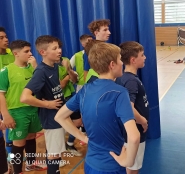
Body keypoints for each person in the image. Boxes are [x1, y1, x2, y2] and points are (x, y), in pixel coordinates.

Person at [54, 41, 140, 174]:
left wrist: (82, 137)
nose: (122, 63)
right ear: (112, 65)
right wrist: (128, 162)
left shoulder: (85, 89)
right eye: (119, 60)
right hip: (112, 166)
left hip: (90, 164)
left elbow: (59, 116)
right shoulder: (119, 92)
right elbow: (134, 137)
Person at [20, 35, 65, 174]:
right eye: (55, 48)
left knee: (55, 153)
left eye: (59, 47)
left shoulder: (54, 66)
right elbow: (24, 97)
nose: (59, 51)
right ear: (43, 52)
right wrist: (47, 105)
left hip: (58, 116)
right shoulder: (41, 72)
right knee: (54, 154)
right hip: (51, 118)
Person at [0, 40, 46, 173]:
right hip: (17, 112)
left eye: (30, 50)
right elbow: (1, 95)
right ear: (16, 53)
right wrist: (6, 115)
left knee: (31, 138)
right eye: (26, 51)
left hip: (33, 109)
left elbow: (42, 86)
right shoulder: (6, 71)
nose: (30, 54)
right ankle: (17, 170)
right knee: (18, 144)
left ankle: (30, 164)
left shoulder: (34, 68)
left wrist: (36, 67)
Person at [115, 41, 149, 174]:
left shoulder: (128, 78)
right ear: (133, 60)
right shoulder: (130, 81)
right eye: (142, 55)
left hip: (134, 129)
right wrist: (142, 120)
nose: (145, 57)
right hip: (136, 129)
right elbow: (128, 107)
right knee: (133, 167)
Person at [0, 27, 15, 174]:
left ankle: (10, 162)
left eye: (5, 36)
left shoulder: (11, 55)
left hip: (11, 102)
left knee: (10, 135)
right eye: (1, 38)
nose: (6, 40)